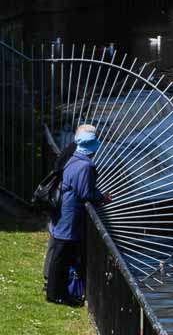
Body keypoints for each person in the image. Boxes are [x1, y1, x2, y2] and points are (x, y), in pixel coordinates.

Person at [44, 125, 111, 306]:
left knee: (60, 253)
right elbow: (85, 193)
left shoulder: (74, 158)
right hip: (70, 215)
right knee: (62, 255)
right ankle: (56, 294)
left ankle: (56, 291)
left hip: (63, 212)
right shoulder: (85, 166)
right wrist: (102, 197)